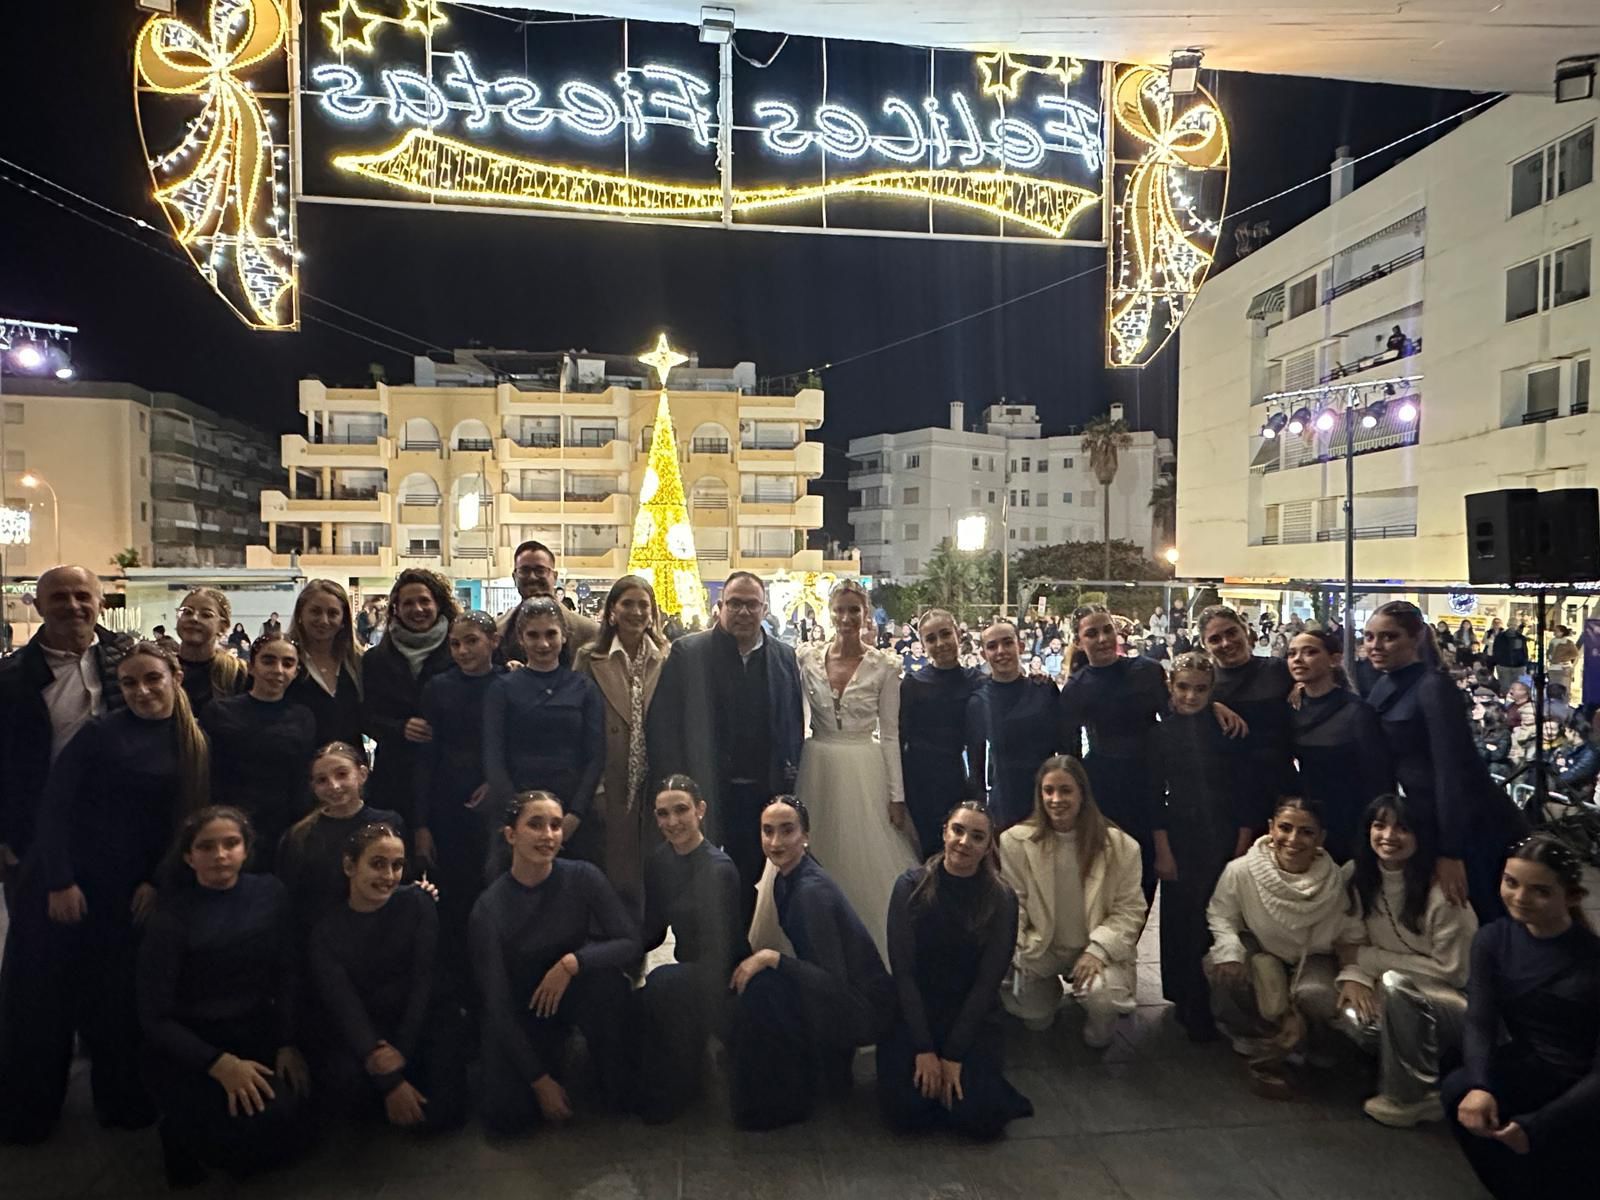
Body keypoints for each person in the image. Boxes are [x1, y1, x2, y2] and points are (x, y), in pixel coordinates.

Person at [0, 638, 208, 1143]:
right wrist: (60, 880)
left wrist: (157, 882)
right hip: (75, 884)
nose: (141, 691)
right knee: (49, 1001)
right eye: (130, 683)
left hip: (134, 891)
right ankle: (29, 1113)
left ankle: (121, 1100)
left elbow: (185, 825)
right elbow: (55, 811)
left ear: (175, 680)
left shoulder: (193, 741)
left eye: (152, 679)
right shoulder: (99, 735)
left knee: (117, 1001)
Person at [138, 807, 313, 1186]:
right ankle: (179, 1135)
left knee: (290, 1125)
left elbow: (288, 972)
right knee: (229, 1148)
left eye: (231, 843)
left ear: (246, 849)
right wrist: (219, 1064)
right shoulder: (171, 916)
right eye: (206, 846)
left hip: (253, 1028)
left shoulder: (271, 892)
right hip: (190, 1043)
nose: (220, 855)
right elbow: (154, 1017)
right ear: (188, 856)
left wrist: (287, 1042)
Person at [470, 791, 640, 1135]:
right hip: (525, 1009)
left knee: (609, 987)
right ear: (510, 835)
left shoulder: (582, 876)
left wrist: (572, 963)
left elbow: (629, 941)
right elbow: (498, 1005)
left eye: (555, 825)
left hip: (575, 990)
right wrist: (539, 1081)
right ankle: (550, 1064)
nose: (547, 835)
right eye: (535, 825)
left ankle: (604, 1069)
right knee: (506, 1119)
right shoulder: (488, 909)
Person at [1443, 834, 1598, 1199]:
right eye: (1511, 883)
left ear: (1572, 896)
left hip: (1584, 1086)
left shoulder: (1592, 962)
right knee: (1459, 1087)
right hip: (1535, 1066)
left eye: (1540, 891)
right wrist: (1480, 1085)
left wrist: (1540, 1125)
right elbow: (1479, 1019)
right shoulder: (1493, 940)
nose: (1520, 898)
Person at [647, 571, 803, 920]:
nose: (744, 612)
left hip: (761, 791)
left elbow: (791, 721)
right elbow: (664, 725)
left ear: (765, 609)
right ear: (720, 607)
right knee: (698, 882)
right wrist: (676, 787)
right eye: (735, 603)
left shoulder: (783, 656)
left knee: (750, 880)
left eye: (752, 604)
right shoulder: (689, 652)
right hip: (703, 792)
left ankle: (742, 955)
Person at [733, 797, 895, 1130]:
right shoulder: (786, 876)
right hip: (844, 993)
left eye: (787, 831)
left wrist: (771, 958)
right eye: (768, 831)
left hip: (862, 1008)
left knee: (764, 991)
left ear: (805, 834)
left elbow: (833, 983)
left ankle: (783, 1098)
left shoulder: (810, 893)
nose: (776, 842)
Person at [879, 800, 1033, 1139]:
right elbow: (903, 973)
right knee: (906, 1115)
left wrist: (953, 1054)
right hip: (915, 1011)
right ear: (944, 833)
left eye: (976, 837)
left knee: (978, 1122)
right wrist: (924, 1049)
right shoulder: (910, 886)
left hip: (970, 1015)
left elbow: (987, 983)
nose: (964, 842)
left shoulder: (1002, 899)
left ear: (987, 846)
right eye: (958, 831)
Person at [1365, 601, 1527, 919]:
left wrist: (1450, 849)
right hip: (1426, 814)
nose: (1375, 646)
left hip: (1471, 822)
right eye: (1369, 637)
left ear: (1415, 639)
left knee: (1481, 914)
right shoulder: (1385, 681)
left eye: (1388, 637)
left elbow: (1451, 771)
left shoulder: (1433, 687)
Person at [308, 822, 467, 1132]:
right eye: (378, 864)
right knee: (350, 1099)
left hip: (417, 1021)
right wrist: (390, 1080)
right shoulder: (326, 931)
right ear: (349, 865)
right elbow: (344, 1005)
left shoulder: (418, 902)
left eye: (397, 865)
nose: (389, 875)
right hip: (369, 1029)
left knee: (442, 1118)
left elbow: (423, 980)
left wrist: (401, 1054)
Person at [1205, 795, 1361, 1098]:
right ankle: (1257, 1035)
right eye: (1285, 828)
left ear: (1321, 838)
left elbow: (1349, 934)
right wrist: (1229, 949)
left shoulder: (1335, 882)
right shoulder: (1241, 871)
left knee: (1316, 995)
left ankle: (1308, 1041)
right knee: (1219, 966)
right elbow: (1221, 914)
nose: (1293, 839)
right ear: (1270, 828)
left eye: (1306, 832)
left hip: (1313, 958)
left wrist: (1354, 973)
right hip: (1263, 952)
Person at [1335, 794, 1477, 1128]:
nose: (1388, 836)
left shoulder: (1443, 892)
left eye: (1402, 828)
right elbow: (1349, 942)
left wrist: (1370, 960)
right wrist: (1356, 973)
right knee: (1360, 1021)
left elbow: (1454, 972)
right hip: (1395, 991)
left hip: (1454, 1003)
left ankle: (1414, 1096)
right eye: (1379, 825)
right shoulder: (1356, 875)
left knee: (1395, 985)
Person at [795, 579, 918, 959]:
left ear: (866, 614)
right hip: (817, 764)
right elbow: (797, 717)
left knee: (867, 859)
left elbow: (892, 733)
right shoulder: (807, 658)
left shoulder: (885, 665)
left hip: (865, 764)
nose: (846, 617)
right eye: (840, 609)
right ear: (829, 612)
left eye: (854, 609)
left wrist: (896, 795)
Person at [0, 565, 134, 903]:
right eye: (59, 597)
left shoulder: (131, 662)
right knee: (40, 950)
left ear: (101, 603)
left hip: (118, 832)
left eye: (82, 596)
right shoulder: (10, 680)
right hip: (35, 839)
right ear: (39, 606)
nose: (72, 605)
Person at [1151, 652, 1261, 1041]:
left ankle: (1216, 999)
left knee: (1216, 915)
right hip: (1180, 832)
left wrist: (1243, 840)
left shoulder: (1227, 729)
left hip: (1222, 830)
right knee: (1181, 916)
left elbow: (1245, 788)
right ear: (1170, 686)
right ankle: (1186, 998)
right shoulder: (1161, 734)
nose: (1191, 696)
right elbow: (1154, 797)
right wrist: (1162, 849)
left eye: (1200, 689)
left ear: (1212, 690)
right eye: (1183, 687)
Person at [997, 756, 1142, 1047]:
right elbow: (1015, 901)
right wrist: (1017, 947)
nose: (1056, 799)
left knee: (1102, 998)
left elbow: (1130, 909)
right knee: (1034, 1018)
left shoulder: (1121, 846)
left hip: (1093, 948)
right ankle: (1044, 996)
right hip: (1043, 946)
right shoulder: (1014, 842)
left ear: (1082, 794)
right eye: (1048, 791)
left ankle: (1100, 1024)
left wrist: (1099, 950)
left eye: (1065, 790)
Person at [634, 776, 747, 1123]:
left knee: (662, 985)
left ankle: (682, 1088)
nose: (672, 822)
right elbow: (652, 930)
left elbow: (722, 950)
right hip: (689, 969)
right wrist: (611, 953)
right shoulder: (657, 861)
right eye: (663, 814)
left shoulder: (719, 869)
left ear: (700, 810)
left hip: (724, 972)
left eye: (681, 810)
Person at [415, 611, 506, 987]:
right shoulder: (439, 688)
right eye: (456, 644)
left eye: (472, 642)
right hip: (446, 806)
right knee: (454, 900)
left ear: (493, 642)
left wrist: (495, 783)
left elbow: (512, 746)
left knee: (495, 894)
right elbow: (425, 759)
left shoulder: (509, 683)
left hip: (495, 807)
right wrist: (421, 824)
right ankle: (458, 988)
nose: (463, 650)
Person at [1059, 604, 1170, 901]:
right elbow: (1069, 752)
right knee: (1107, 877)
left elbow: (1177, 720)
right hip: (1103, 789)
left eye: (1107, 629)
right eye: (1092, 633)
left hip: (1149, 782)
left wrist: (1215, 705)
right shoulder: (1076, 687)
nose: (1103, 638)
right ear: (1079, 641)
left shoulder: (1148, 671)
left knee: (1146, 874)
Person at [573, 575, 669, 915]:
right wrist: (592, 786)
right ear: (612, 610)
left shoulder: (668, 658)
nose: (636, 611)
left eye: (644, 604)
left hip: (651, 778)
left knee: (647, 873)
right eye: (627, 603)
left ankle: (639, 948)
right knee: (611, 871)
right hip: (608, 776)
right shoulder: (589, 658)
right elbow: (579, 728)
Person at [484, 597, 605, 861]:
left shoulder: (584, 688)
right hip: (516, 816)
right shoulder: (502, 689)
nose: (543, 644)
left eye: (551, 634)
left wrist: (574, 816)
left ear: (564, 637)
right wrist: (519, 818)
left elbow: (595, 757)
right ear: (521, 639)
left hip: (572, 813)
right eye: (533, 635)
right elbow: (494, 757)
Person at [199, 634, 317, 873]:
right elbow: (209, 774)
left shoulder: (303, 717)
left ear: (296, 671)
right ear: (252, 667)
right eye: (269, 661)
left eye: (287, 663)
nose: (278, 670)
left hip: (283, 828)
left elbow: (302, 778)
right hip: (229, 826)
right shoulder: (220, 712)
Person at [361, 569, 457, 833]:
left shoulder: (460, 653)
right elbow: (365, 715)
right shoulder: (375, 660)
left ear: (438, 604)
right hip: (395, 776)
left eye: (424, 601)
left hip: (449, 777)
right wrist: (399, 728)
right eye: (408, 603)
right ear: (396, 608)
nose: (418, 609)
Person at [276, 741, 405, 938]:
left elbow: (399, 880)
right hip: (322, 937)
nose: (333, 786)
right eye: (322, 780)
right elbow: (294, 900)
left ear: (362, 774)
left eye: (342, 774)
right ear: (313, 787)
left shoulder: (388, 822)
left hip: (380, 930)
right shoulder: (300, 835)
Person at [1286, 629, 1394, 863]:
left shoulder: (1357, 712)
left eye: (1310, 652)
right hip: (1305, 822)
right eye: (1292, 653)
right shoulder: (1291, 708)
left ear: (1334, 659)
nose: (1297, 659)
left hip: (1349, 822)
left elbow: (1378, 779)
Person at [1197, 605, 1295, 824]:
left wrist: (1302, 686)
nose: (1226, 643)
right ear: (1205, 645)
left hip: (1280, 786)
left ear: (1245, 630)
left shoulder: (1278, 670)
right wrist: (1210, 704)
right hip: (1228, 793)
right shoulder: (1203, 685)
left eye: (1231, 633)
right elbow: (1174, 706)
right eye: (1215, 639)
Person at [899, 609, 984, 858]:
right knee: (926, 854)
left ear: (958, 634)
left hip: (958, 779)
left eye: (945, 634)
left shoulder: (976, 681)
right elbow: (899, 738)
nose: (940, 643)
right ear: (923, 645)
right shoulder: (913, 684)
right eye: (931, 638)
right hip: (919, 782)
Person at [965, 620, 1062, 831]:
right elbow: (976, 767)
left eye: (1007, 643)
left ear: (1020, 646)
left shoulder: (1044, 690)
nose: (1001, 651)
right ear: (983, 655)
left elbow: (1066, 750)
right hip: (1004, 806)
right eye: (992, 646)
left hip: (1048, 801)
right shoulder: (979, 702)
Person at [285, 579, 364, 749]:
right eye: (315, 611)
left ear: (344, 620)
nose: (324, 620)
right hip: (298, 768)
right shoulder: (284, 662)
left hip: (348, 769)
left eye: (333, 613)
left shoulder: (358, 663)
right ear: (300, 614)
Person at [496, 540, 598, 665]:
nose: (532, 577)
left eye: (540, 570)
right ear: (514, 577)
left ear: (554, 576)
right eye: (525, 571)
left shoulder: (589, 633)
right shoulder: (496, 630)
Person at [172, 588, 247, 718]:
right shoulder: (163, 670)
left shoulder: (238, 674)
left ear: (223, 626)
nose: (194, 618)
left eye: (206, 615)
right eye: (187, 612)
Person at [1496, 621, 1530, 693]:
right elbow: (1496, 651)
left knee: (1517, 687)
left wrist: (1524, 662)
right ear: (1508, 625)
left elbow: (1524, 651)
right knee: (1506, 687)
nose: (1513, 626)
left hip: (1518, 665)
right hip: (1504, 665)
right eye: (1511, 624)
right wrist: (1498, 662)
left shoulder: (1521, 637)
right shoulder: (1500, 637)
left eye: (1514, 624)